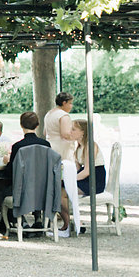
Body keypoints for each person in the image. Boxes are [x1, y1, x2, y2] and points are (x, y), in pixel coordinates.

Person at [44, 91, 81, 236]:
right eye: (70, 103)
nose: (71, 106)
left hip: (51, 148)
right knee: (62, 187)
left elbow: (45, 131)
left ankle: (63, 221)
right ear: (64, 103)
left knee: (57, 187)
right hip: (62, 151)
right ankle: (67, 223)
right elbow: (66, 134)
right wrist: (79, 137)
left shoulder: (49, 114)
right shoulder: (63, 116)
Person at [72, 119, 106, 196]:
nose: (70, 132)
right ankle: (67, 208)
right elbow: (77, 170)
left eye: (73, 129)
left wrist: (69, 179)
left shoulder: (90, 146)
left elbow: (87, 171)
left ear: (83, 132)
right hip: (84, 178)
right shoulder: (78, 148)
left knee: (64, 189)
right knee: (60, 187)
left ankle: (67, 208)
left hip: (94, 180)